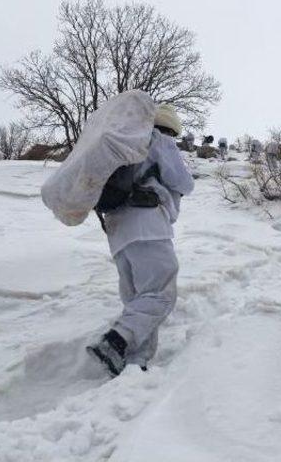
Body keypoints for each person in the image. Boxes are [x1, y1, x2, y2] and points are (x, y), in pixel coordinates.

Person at [88, 104, 195, 376]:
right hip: (147, 224)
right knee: (161, 292)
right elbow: (184, 183)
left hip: (117, 232)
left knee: (139, 299)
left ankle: (135, 364)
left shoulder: (122, 146)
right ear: (170, 128)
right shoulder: (157, 140)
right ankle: (116, 340)